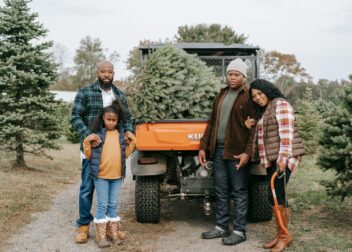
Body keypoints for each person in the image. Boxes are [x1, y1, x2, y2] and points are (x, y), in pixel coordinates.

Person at [71, 60, 134, 243]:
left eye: (109, 71)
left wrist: (129, 131)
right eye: (103, 71)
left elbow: (127, 118)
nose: (106, 74)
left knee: (111, 192)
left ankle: (108, 227)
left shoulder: (119, 95)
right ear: (97, 72)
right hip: (93, 151)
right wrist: (88, 135)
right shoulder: (85, 92)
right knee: (87, 188)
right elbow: (75, 117)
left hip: (113, 152)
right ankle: (83, 226)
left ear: (113, 73)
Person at [199, 58, 256, 246]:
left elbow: (255, 129)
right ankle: (221, 226)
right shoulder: (221, 95)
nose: (232, 77)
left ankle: (239, 230)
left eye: (236, 74)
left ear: (243, 77)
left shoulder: (249, 97)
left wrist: (248, 153)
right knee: (220, 190)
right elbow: (212, 123)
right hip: (218, 151)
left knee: (239, 190)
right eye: (230, 74)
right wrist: (203, 147)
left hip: (237, 153)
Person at [245, 79, 305, 252]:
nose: (257, 97)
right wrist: (251, 126)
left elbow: (286, 134)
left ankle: (285, 236)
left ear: (268, 90)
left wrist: (282, 159)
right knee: (275, 197)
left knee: (278, 195)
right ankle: (281, 234)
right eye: (254, 95)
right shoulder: (266, 110)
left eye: (260, 93)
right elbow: (266, 136)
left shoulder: (280, 104)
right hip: (273, 159)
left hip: (283, 158)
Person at [83, 100, 136, 248]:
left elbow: (125, 155)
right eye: (108, 119)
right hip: (101, 177)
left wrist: (132, 141)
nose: (111, 122)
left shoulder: (121, 135)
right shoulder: (98, 135)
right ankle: (101, 237)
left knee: (113, 204)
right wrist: (87, 142)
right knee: (102, 204)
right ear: (103, 118)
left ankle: (113, 234)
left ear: (118, 120)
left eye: (114, 120)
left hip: (117, 177)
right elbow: (89, 156)